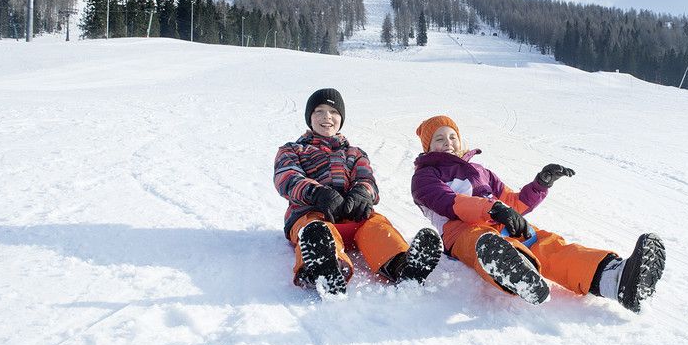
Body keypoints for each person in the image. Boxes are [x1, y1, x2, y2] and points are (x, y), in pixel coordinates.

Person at [410, 115, 665, 312]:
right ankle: (519, 272)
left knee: (547, 244)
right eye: (440, 139)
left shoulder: (480, 171)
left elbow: (513, 202)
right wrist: (493, 209)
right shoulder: (424, 176)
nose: (448, 143)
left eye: (452, 136)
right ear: (428, 147)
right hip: (461, 231)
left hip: (501, 222)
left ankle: (617, 279)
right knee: (484, 244)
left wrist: (540, 184)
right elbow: (450, 203)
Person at [274, 88, 441, 295]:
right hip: (312, 213)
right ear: (309, 117)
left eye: (333, 112)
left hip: (352, 215)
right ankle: (324, 268)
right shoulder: (292, 149)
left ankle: (402, 265)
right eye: (319, 111)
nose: (327, 117)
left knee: (376, 224)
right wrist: (317, 193)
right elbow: (287, 177)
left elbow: (366, 178)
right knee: (315, 230)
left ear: (341, 118)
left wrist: (362, 193)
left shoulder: (355, 153)